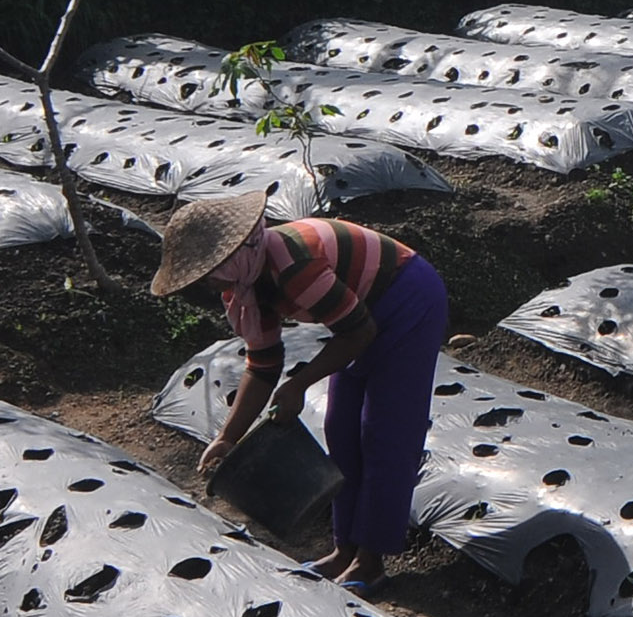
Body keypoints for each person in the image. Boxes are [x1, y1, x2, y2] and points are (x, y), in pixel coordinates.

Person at [150, 195, 449, 591]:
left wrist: (300, 384)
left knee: (385, 433)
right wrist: (227, 438)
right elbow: (263, 364)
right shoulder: (246, 282)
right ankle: (345, 548)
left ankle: (371, 560)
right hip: (358, 316)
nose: (208, 282)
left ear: (232, 256)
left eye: (208, 272)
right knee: (340, 428)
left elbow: (359, 332)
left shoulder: (294, 265)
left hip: (407, 299)